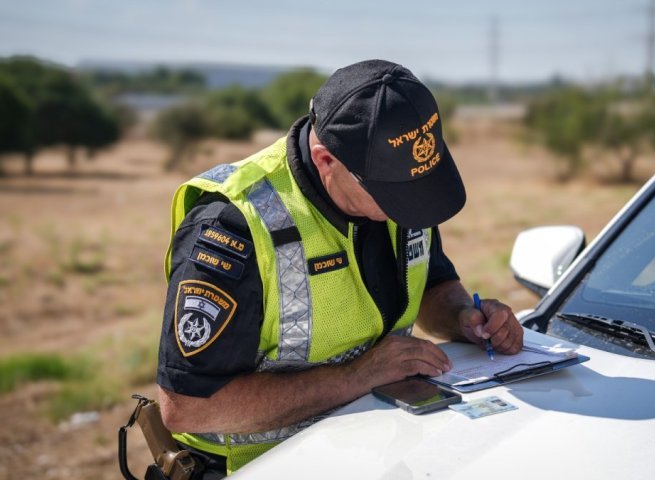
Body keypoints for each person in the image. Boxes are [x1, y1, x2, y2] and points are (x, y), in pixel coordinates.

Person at [155, 59, 523, 477]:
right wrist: (355, 378)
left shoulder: (398, 188)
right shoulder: (236, 225)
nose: (405, 211)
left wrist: (463, 317)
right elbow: (187, 407)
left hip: (379, 452)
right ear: (326, 160)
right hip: (261, 467)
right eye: (391, 196)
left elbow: (431, 283)